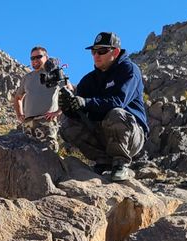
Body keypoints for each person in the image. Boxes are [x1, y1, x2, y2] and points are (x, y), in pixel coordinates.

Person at [58, 32, 148, 181]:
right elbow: (79, 111)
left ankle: (120, 163)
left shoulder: (129, 70)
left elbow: (118, 101)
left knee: (115, 114)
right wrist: (68, 107)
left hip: (132, 134)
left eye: (102, 51)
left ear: (116, 52)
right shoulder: (88, 80)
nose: (96, 55)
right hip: (103, 132)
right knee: (67, 125)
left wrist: (86, 102)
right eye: (94, 51)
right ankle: (103, 161)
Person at [12, 45, 60, 151]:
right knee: (28, 155)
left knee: (49, 152)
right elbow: (18, 98)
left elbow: (69, 94)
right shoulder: (27, 78)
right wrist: (19, 115)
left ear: (46, 57)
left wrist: (57, 112)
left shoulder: (55, 74)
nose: (35, 60)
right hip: (28, 123)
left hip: (46, 121)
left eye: (38, 57)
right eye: (32, 58)